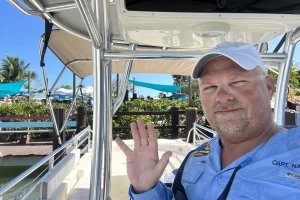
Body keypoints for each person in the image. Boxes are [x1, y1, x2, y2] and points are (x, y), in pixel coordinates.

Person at [115, 42, 300, 199]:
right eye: (210, 86)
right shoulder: (196, 157)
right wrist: (147, 189)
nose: (222, 97)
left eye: (237, 83)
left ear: (268, 87)